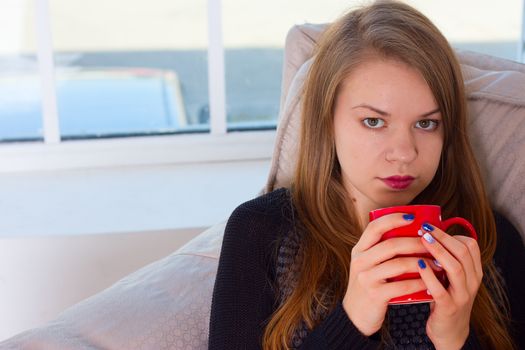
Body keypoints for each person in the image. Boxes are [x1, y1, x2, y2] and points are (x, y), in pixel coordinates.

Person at [208, 1, 525, 349]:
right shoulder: (262, 232)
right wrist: (352, 321)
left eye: (426, 123)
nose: (404, 153)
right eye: (374, 122)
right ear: (327, 122)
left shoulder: (492, 243)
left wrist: (455, 339)